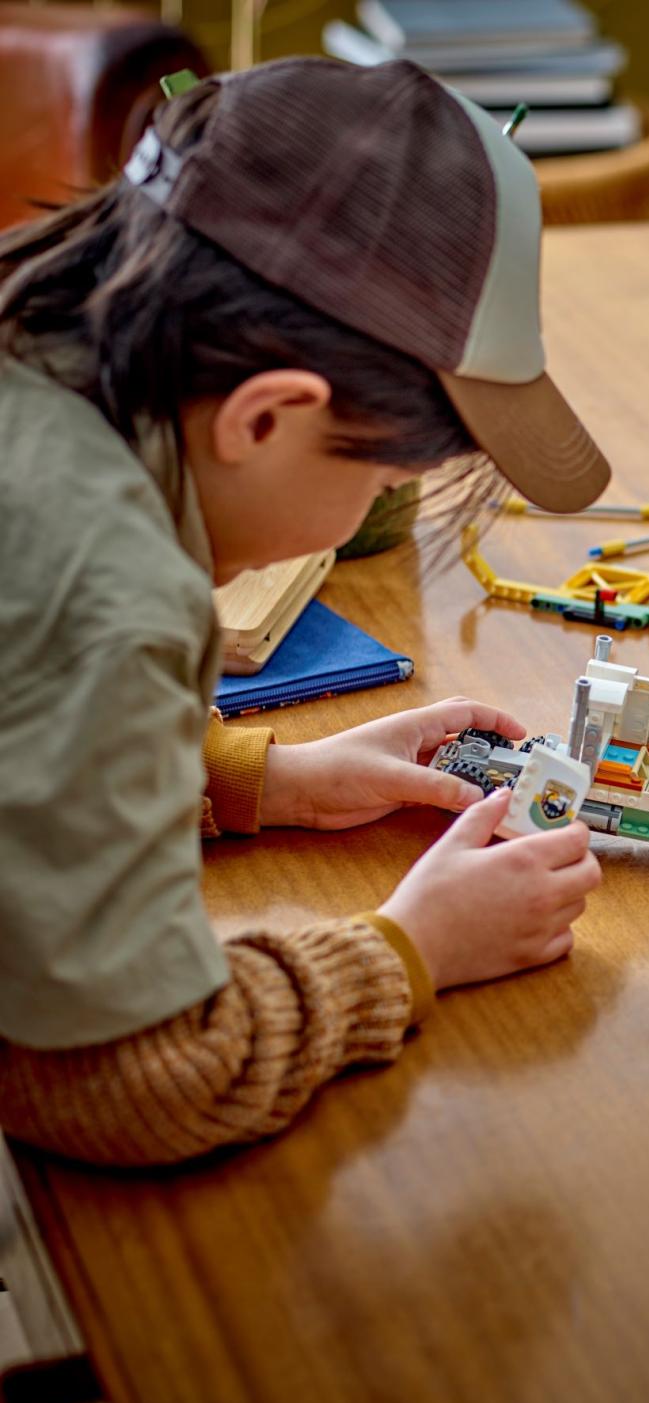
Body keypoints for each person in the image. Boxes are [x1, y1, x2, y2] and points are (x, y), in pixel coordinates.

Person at [0, 59, 613, 1167]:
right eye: (382, 481)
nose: (368, 512)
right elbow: (135, 1077)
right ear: (266, 416)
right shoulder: (114, 594)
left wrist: (255, 778)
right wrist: (414, 945)